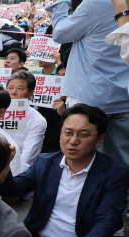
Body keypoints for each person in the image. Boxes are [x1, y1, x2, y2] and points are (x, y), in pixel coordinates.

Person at [0, 104, 129, 237]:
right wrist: (4, 167)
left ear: (100, 139)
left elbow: (109, 220)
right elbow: (15, 190)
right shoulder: (45, 162)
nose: (73, 140)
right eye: (68, 132)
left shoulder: (114, 173)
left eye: (83, 134)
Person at [49, 0, 129, 179]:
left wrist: (59, 5)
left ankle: (86, 204)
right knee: (121, 161)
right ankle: (119, 205)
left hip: (91, 99)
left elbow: (60, 33)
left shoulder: (95, 3)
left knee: (80, 162)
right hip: (124, 98)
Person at [5, 71, 47, 170]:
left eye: (20, 88)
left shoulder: (37, 120)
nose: (13, 92)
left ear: (30, 93)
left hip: (16, 173)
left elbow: (26, 160)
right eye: (10, 88)